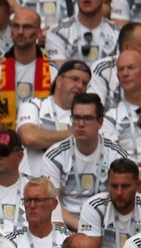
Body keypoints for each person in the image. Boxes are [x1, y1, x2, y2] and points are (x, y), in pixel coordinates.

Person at [42, 93, 130, 231]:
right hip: (68, 225)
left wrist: (94, 229)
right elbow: (52, 203)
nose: (81, 124)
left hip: (106, 225)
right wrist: (83, 228)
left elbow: (124, 200)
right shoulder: (54, 156)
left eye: (87, 118)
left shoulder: (117, 155)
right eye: (76, 118)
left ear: (100, 123)